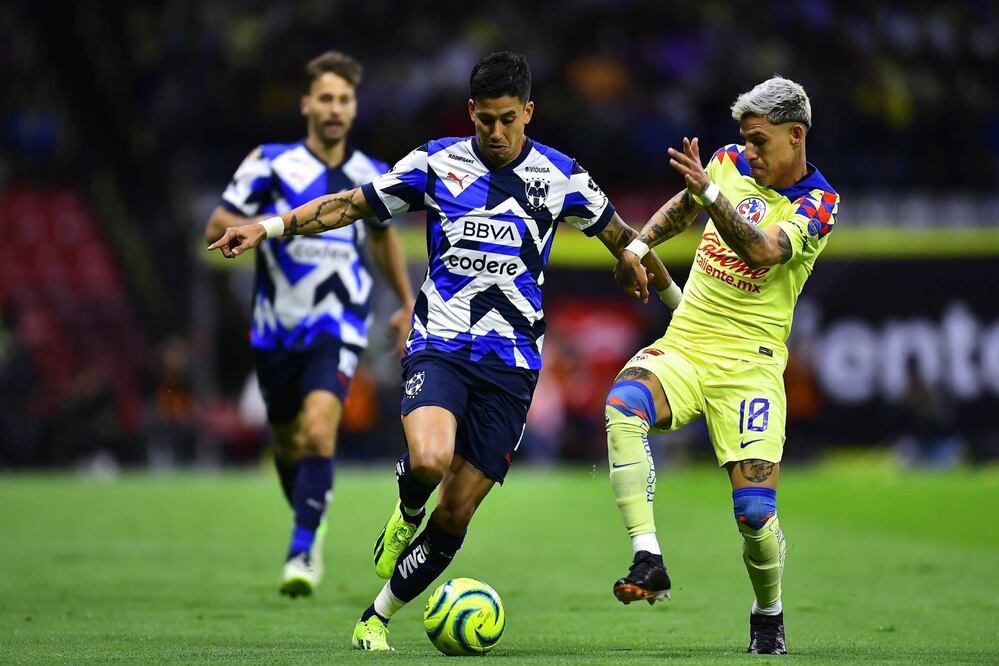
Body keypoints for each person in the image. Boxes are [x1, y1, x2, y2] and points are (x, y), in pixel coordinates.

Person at [209, 51, 682, 651]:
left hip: (513, 367)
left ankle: (375, 617)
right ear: (470, 112)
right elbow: (351, 204)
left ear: (528, 112)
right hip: (441, 344)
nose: (496, 132)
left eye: (507, 119)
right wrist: (269, 227)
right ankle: (407, 508)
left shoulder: (561, 176)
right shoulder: (436, 162)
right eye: (485, 119)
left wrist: (677, 305)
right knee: (430, 460)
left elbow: (624, 239)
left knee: (457, 512)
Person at [606, 77, 839, 655]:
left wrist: (712, 194)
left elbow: (761, 249)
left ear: (796, 135)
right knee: (623, 405)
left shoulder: (819, 203)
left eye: (761, 141)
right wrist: (637, 248)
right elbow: (683, 208)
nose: (749, 151)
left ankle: (768, 612)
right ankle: (648, 557)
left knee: (755, 515)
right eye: (746, 140)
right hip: (687, 344)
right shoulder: (728, 162)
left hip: (751, 368)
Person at [204, 51, 415, 598]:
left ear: (355, 107)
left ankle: (302, 549)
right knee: (288, 442)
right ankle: (310, 517)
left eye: (344, 99)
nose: (335, 108)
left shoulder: (373, 174)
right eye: (325, 98)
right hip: (276, 324)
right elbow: (216, 222)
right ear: (306, 105)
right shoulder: (270, 162)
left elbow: (383, 237)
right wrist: (261, 226)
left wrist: (405, 299)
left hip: (339, 320)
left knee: (319, 429)